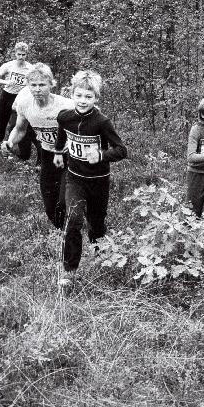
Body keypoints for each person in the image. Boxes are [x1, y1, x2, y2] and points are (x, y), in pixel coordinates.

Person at [54, 70, 128, 288]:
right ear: (72, 94)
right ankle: (69, 271)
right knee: (73, 220)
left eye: (88, 96)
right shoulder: (65, 116)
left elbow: (122, 150)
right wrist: (59, 153)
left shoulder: (102, 122)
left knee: (96, 224)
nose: (83, 100)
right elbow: (62, 133)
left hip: (98, 181)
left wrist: (102, 155)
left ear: (96, 98)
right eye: (79, 95)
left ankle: (101, 257)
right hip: (74, 179)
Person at [2, 63, 74, 228]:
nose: (37, 89)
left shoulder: (65, 105)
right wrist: (10, 142)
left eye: (42, 85)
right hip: (48, 156)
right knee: (50, 206)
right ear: (28, 86)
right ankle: (61, 234)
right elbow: (19, 129)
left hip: (69, 156)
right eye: (33, 85)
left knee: (64, 201)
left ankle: (72, 230)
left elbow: (90, 117)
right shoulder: (25, 105)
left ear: (51, 84)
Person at [0, 42, 33, 148]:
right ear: (15, 53)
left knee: (15, 124)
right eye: (19, 54)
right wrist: (6, 82)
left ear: (26, 55)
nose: (21, 57)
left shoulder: (30, 68)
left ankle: (10, 146)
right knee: (2, 124)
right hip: (7, 96)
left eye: (23, 55)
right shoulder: (8, 65)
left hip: (20, 99)